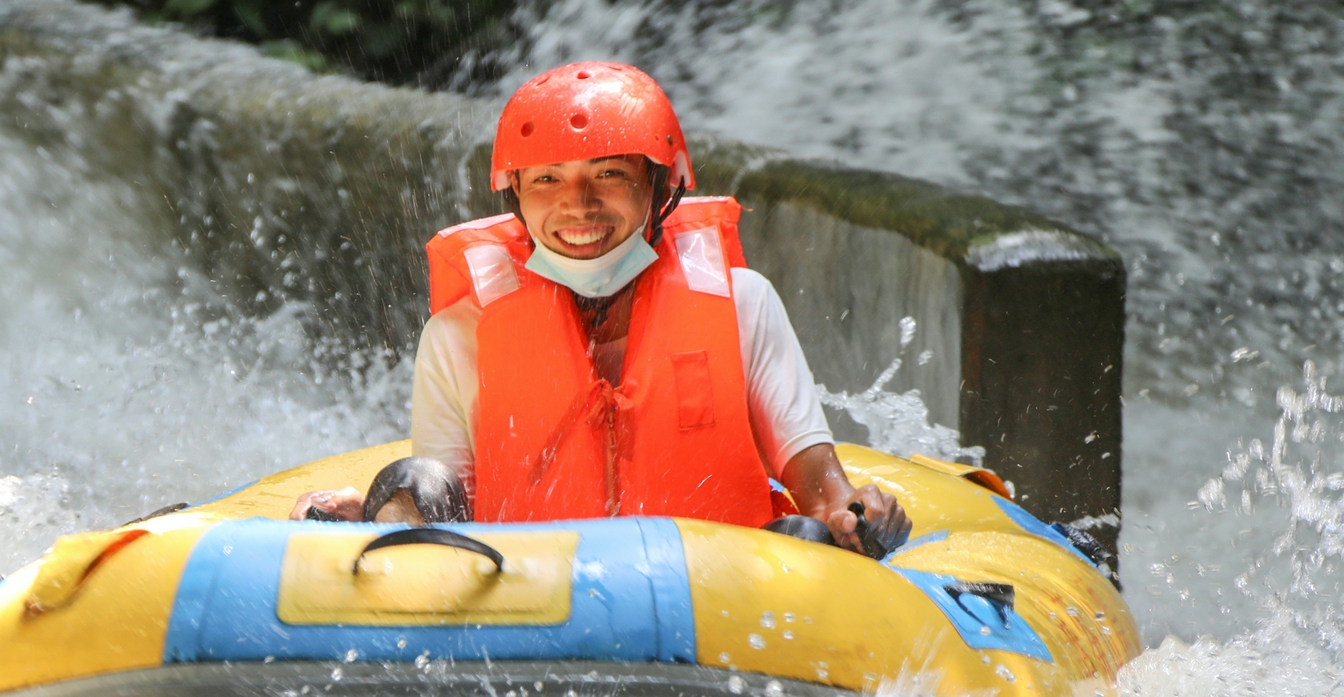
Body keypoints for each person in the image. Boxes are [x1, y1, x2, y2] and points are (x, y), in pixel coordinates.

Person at [292, 61, 908, 556]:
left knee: (805, 543)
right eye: (547, 181)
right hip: (525, 590)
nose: (578, 206)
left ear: (660, 188)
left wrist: (852, 513)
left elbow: (822, 489)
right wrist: (374, 517)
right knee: (410, 480)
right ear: (517, 201)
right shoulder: (461, 334)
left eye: (609, 174)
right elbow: (451, 514)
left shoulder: (743, 305)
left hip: (719, 592)